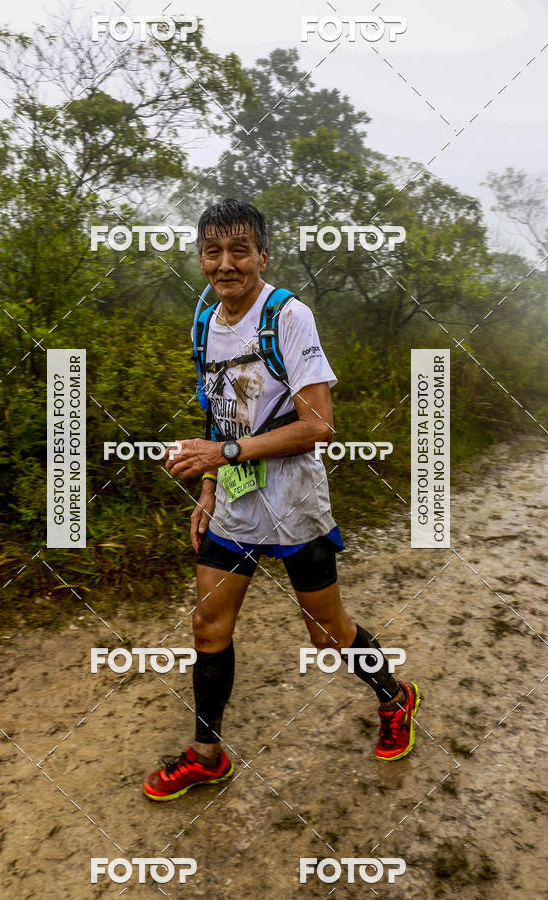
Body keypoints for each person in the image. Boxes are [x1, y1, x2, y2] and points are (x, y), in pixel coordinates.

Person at [143, 199, 421, 802]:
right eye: (213, 251)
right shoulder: (203, 321)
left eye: (239, 250)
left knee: (327, 632)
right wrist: (209, 488)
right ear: (201, 259)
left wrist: (223, 455)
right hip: (234, 501)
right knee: (207, 627)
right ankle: (207, 755)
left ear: (262, 256)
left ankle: (395, 698)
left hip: (294, 499)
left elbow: (319, 425)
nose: (225, 264)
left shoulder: (288, 316)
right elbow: (220, 412)